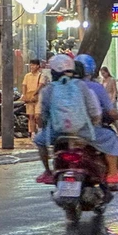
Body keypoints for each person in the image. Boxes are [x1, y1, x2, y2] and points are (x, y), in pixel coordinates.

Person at [34, 54, 103, 184]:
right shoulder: (82, 86)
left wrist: (43, 126)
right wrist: (95, 122)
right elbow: (94, 112)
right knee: (105, 141)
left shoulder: (48, 89)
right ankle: (109, 173)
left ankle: (47, 171)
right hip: (83, 131)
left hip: (57, 132)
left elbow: (43, 115)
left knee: (38, 140)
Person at [74, 54, 118, 184]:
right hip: (88, 129)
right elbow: (103, 112)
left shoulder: (62, 86)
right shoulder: (93, 87)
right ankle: (113, 172)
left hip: (64, 130)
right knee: (113, 139)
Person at [22, 58, 47, 135]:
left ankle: (40, 130)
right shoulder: (27, 76)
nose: (32, 66)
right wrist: (24, 95)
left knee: (37, 116)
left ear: (38, 66)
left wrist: (34, 94)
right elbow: (24, 85)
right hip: (29, 97)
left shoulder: (41, 76)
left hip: (38, 98)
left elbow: (40, 86)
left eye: (34, 65)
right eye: (31, 65)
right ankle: (32, 133)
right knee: (31, 116)